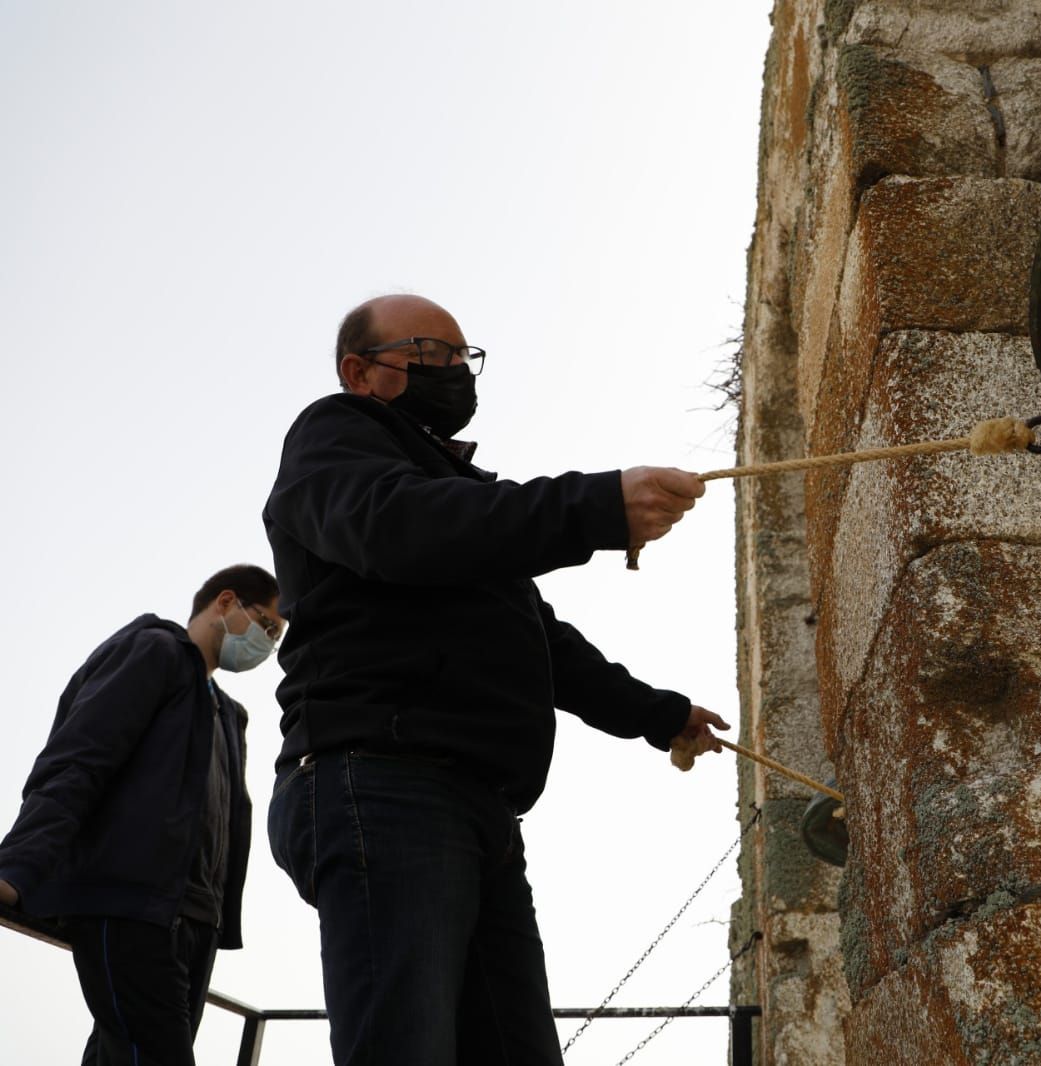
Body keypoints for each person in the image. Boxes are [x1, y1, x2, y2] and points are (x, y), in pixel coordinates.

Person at [262, 293, 728, 1065]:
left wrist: (660, 714)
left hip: (475, 804)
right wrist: (595, 505)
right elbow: (399, 527)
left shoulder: (458, 498)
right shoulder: (334, 437)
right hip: (380, 783)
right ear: (361, 371)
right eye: (432, 353)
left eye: (464, 357)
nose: (456, 371)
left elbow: (536, 638)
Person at [0, 564, 283, 1066]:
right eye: (266, 626)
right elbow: (79, 759)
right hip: (130, 907)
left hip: (196, 923)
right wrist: (17, 865)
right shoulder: (153, 652)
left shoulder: (227, 714)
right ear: (226, 603)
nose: (267, 644)